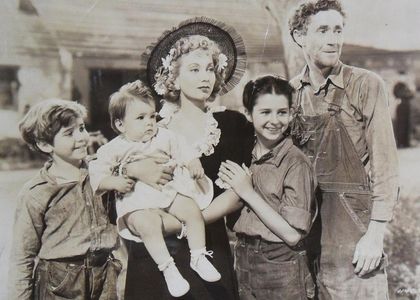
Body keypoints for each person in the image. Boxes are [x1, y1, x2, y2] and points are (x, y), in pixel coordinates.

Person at [123, 17, 254, 299]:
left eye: (210, 69)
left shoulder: (232, 125)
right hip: (156, 252)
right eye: (194, 69)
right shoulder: (151, 126)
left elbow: (236, 194)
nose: (205, 77)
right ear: (174, 77)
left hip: (208, 245)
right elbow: (123, 178)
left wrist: (189, 222)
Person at [288, 0, 399, 298]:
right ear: (299, 36)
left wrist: (375, 235)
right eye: (323, 30)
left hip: (354, 230)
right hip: (306, 229)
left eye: (338, 30)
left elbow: (386, 165)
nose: (333, 39)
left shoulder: (365, 84)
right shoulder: (290, 93)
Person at [89, 80, 220, 297]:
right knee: (147, 224)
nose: (150, 123)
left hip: (165, 192)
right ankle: (167, 267)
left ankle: (198, 256)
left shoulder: (164, 136)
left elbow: (182, 149)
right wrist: (115, 182)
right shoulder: (114, 148)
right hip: (137, 201)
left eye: (152, 116)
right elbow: (97, 175)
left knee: (191, 210)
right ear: (121, 125)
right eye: (141, 118)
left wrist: (192, 162)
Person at [8, 99, 121, 300]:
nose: (82, 138)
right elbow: (22, 257)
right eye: (69, 133)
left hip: (105, 277)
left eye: (82, 128)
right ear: (44, 144)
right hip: (59, 284)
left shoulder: (102, 174)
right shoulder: (37, 192)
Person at [218, 75, 316, 299]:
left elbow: (292, 235)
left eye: (282, 112)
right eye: (265, 112)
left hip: (280, 263)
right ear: (248, 115)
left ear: (291, 114)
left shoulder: (295, 162)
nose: (275, 120)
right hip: (242, 256)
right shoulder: (242, 154)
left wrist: (247, 192)